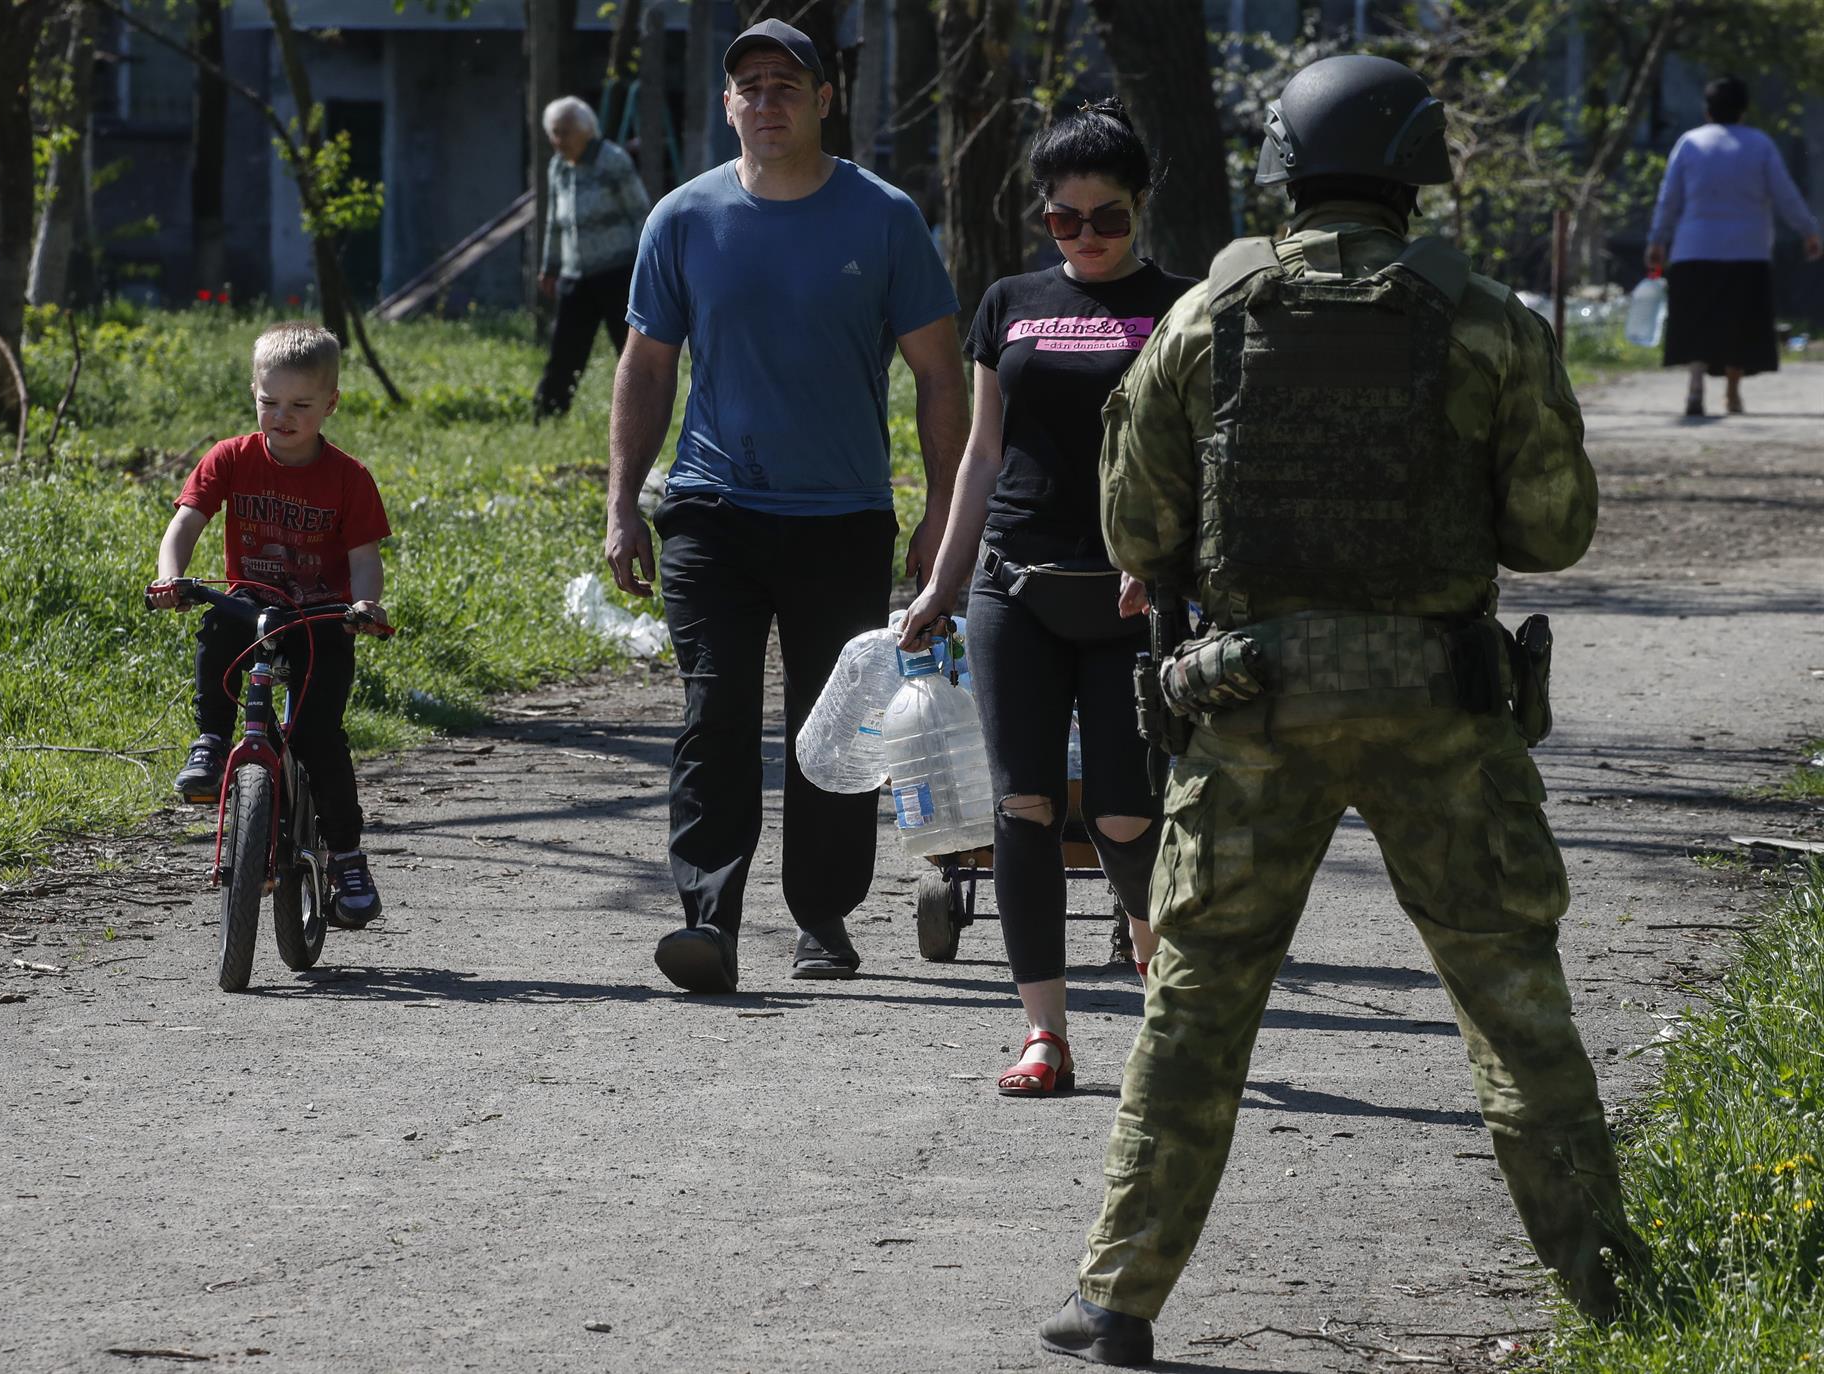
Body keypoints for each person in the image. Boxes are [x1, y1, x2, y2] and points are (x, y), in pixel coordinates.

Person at [1037, 56, 1642, 1365]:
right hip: (1441, 708)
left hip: (1253, 712)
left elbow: (1136, 527)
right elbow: (1554, 527)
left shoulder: (1205, 317)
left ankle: (1119, 1299)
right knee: (1514, 1004)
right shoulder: (1483, 320)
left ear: (1283, 169)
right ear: (1415, 172)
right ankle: (1616, 1297)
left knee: (1196, 1008)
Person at [605, 19, 968, 994]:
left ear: (823, 99)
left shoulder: (884, 217)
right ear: (728, 105)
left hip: (843, 514)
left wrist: (939, 510)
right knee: (713, 709)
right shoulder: (682, 219)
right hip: (711, 509)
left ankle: (824, 915)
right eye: (749, 87)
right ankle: (708, 918)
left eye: (785, 86)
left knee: (833, 722)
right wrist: (620, 505)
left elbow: (940, 375)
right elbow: (645, 368)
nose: (766, 102)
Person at [899, 100, 1192, 1097]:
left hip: (1129, 597)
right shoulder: (1009, 301)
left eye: (1105, 218)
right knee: (1022, 809)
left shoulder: (1183, 306)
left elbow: (1203, 457)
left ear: (1141, 206)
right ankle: (1044, 1035)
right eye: (1064, 221)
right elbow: (982, 454)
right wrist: (941, 580)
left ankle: (1167, 985)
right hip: (1012, 589)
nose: (1086, 239)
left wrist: (1168, 559)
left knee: (1120, 813)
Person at [148, 322, 394, 929]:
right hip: (251, 606)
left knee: (317, 738)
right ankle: (210, 740)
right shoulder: (230, 458)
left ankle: (347, 856)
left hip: (320, 618)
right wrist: (171, 578)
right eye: (269, 402)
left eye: (300, 405)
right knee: (218, 626)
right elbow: (185, 523)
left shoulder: (348, 478)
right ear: (254, 393)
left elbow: (365, 560)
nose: (282, 417)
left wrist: (363, 608)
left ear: (330, 404)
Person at [1645, 75, 1823, 417]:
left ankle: (1695, 386)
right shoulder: (1759, 145)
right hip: (1747, 251)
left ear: (1707, 110)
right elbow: (1785, 195)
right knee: (1739, 322)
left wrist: (1657, 240)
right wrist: (1809, 231)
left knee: (1697, 320)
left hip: (1693, 249)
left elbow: (1669, 199)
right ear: (1743, 110)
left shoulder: (1689, 143)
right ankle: (1732, 392)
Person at [533, 96, 652, 422]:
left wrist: (647, 267)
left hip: (617, 272)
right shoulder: (558, 167)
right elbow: (554, 223)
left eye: (566, 132)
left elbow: (640, 213)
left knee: (629, 351)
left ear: (586, 131)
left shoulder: (612, 160)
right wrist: (550, 267)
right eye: (554, 133)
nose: (559, 140)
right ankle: (547, 417)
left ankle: (642, 415)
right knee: (564, 353)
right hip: (576, 275)